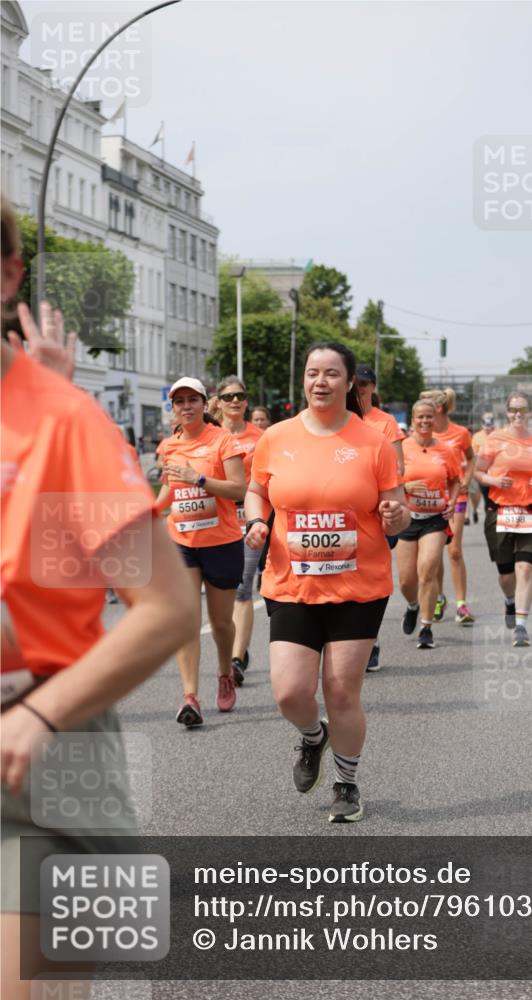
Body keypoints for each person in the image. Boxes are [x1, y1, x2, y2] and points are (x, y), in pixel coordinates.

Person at [1, 195, 197, 998]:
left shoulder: (64, 424)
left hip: (36, 744)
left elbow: (165, 608)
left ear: (8, 273)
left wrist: (38, 717)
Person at [244, 342, 410, 823]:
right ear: (304, 380)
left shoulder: (373, 441)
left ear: (349, 382)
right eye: (313, 373)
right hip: (291, 582)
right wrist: (256, 521)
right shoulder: (276, 437)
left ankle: (346, 783)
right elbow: (257, 490)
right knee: (290, 692)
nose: (321, 382)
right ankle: (313, 737)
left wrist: (397, 515)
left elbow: (395, 515)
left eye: (332, 374)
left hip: (358, 586)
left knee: (341, 692)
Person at [156, 377, 246, 724]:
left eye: (192, 400)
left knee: (221, 623)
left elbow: (239, 488)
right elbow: (169, 492)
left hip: (222, 543)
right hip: (182, 544)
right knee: (186, 620)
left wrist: (200, 479)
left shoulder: (223, 441)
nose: (186, 407)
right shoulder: (168, 446)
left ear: (204, 404)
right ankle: (190, 697)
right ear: (173, 407)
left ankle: (225, 672)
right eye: (179, 401)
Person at [474, 392, 532, 647]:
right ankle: (510, 601)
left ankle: (521, 625)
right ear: (507, 412)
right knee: (507, 574)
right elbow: (477, 472)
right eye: (513, 410)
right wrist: (494, 481)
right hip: (501, 511)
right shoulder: (494, 439)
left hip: (531, 510)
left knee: (526, 568)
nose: (518, 414)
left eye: (523, 410)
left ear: (530, 412)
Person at [213, 376, 265, 685]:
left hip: (249, 519)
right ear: (218, 402)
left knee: (244, 586)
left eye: (240, 396)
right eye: (229, 396)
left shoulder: (260, 437)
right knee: (225, 591)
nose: (235, 401)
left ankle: (235, 659)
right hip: (216, 523)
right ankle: (237, 651)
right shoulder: (209, 436)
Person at [396, 400, 461, 649]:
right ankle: (412, 606)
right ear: (412, 420)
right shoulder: (401, 448)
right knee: (405, 581)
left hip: (435, 520)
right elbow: (387, 481)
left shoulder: (446, 449)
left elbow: (455, 481)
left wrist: (452, 501)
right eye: (420, 417)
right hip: (407, 518)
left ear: (435, 420)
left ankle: (426, 626)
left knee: (428, 571)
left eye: (429, 417)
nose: (424, 422)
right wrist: (405, 487)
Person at [355, 363, 405, 671]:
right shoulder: (341, 420)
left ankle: (370, 639)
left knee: (369, 578)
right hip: (344, 514)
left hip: (377, 512)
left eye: (364, 384)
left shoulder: (385, 423)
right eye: (355, 383)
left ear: (373, 387)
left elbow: (398, 468)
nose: (359, 389)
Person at [419, 388, 476, 625]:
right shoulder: (422, 434)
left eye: (426, 408)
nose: (423, 415)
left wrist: (467, 481)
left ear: (438, 409)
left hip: (457, 498)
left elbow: (471, 458)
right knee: (435, 553)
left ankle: (461, 604)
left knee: (454, 550)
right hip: (432, 500)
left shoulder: (460, 433)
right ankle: (439, 597)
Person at [471, 412, 496, 519]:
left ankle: (493, 517)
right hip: (483, 473)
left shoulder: (498, 435)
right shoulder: (477, 437)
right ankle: (488, 517)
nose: (487, 429)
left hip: (496, 472)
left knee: (494, 498)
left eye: (489, 426)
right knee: (486, 497)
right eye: (485, 426)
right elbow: (473, 454)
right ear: (482, 425)